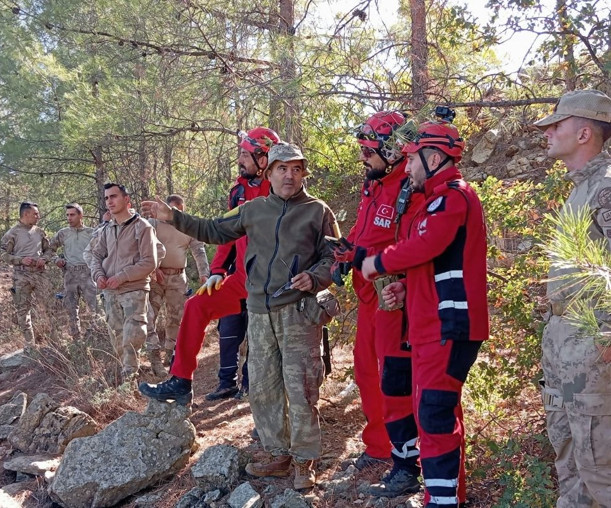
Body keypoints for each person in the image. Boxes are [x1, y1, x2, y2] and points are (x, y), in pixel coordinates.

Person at [140, 142, 338, 490]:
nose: (289, 175)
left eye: (296, 169)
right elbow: (215, 230)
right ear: (269, 172)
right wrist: (172, 217)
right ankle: (278, 454)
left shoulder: (317, 211)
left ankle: (305, 460)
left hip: (298, 314)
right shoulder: (253, 210)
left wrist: (316, 277)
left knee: (302, 388)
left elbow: (334, 257)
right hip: (261, 313)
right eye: (282, 168)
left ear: (304, 172)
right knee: (263, 388)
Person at [362, 118, 489, 508]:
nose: (409, 168)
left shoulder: (452, 197)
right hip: (431, 326)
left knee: (434, 417)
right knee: (435, 412)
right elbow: (433, 263)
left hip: (449, 327)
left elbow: (428, 245)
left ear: (434, 157)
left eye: (413, 160)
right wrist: (405, 286)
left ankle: (443, 501)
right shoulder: (437, 199)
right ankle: (448, 495)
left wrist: (377, 263)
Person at [139, 127, 278, 399]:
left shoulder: (279, 189)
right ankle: (180, 381)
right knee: (196, 305)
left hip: (273, 282)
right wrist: (216, 271)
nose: (240, 160)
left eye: (245, 154)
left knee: (264, 344)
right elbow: (225, 233)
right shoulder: (238, 190)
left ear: (264, 158)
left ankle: (265, 409)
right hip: (241, 279)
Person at [332, 111, 422, 497]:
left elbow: (408, 246)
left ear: (390, 149)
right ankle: (378, 444)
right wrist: (344, 251)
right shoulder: (374, 182)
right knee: (365, 369)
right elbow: (362, 228)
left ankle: (408, 455)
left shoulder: (410, 187)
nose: (363, 158)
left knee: (392, 375)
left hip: (392, 296)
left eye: (369, 151)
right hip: (367, 295)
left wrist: (362, 254)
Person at [534, 89, 611, 507]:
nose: (548, 133)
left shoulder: (606, 188)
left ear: (584, 133)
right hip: (564, 340)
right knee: (569, 458)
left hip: (593, 347)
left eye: (556, 125)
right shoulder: (580, 191)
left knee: (601, 469)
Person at [89, 183, 160, 380]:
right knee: (117, 337)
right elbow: (96, 255)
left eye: (113, 197)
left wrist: (122, 276)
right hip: (110, 292)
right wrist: (98, 275)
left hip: (134, 290)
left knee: (132, 337)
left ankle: (130, 379)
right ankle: (128, 379)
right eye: (106, 198)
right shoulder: (107, 229)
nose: (109, 201)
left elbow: (150, 262)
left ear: (126, 199)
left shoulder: (143, 227)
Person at [146, 194, 210, 376]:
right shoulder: (153, 224)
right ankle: (153, 356)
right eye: (174, 210)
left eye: (180, 211)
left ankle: (171, 353)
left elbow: (199, 250)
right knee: (150, 316)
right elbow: (143, 247)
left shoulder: (188, 227)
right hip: (155, 277)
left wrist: (204, 273)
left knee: (176, 316)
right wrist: (153, 268)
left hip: (177, 277)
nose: (177, 214)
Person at [0, 202, 53, 351]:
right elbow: (2, 253)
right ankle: (30, 345)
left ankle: (54, 342)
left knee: (50, 306)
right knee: (23, 310)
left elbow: (49, 250)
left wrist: (45, 259)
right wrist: (19, 260)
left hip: (40, 274)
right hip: (21, 275)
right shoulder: (12, 233)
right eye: (35, 214)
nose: (38, 216)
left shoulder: (40, 232)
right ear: (25, 214)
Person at [49, 203, 98, 339]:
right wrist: (56, 259)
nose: (69, 218)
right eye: (67, 215)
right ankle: (76, 339)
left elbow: (102, 251)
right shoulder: (63, 233)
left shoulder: (91, 233)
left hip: (88, 273)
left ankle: (93, 336)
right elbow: (49, 249)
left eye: (72, 215)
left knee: (95, 307)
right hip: (70, 273)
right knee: (71, 308)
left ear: (80, 215)